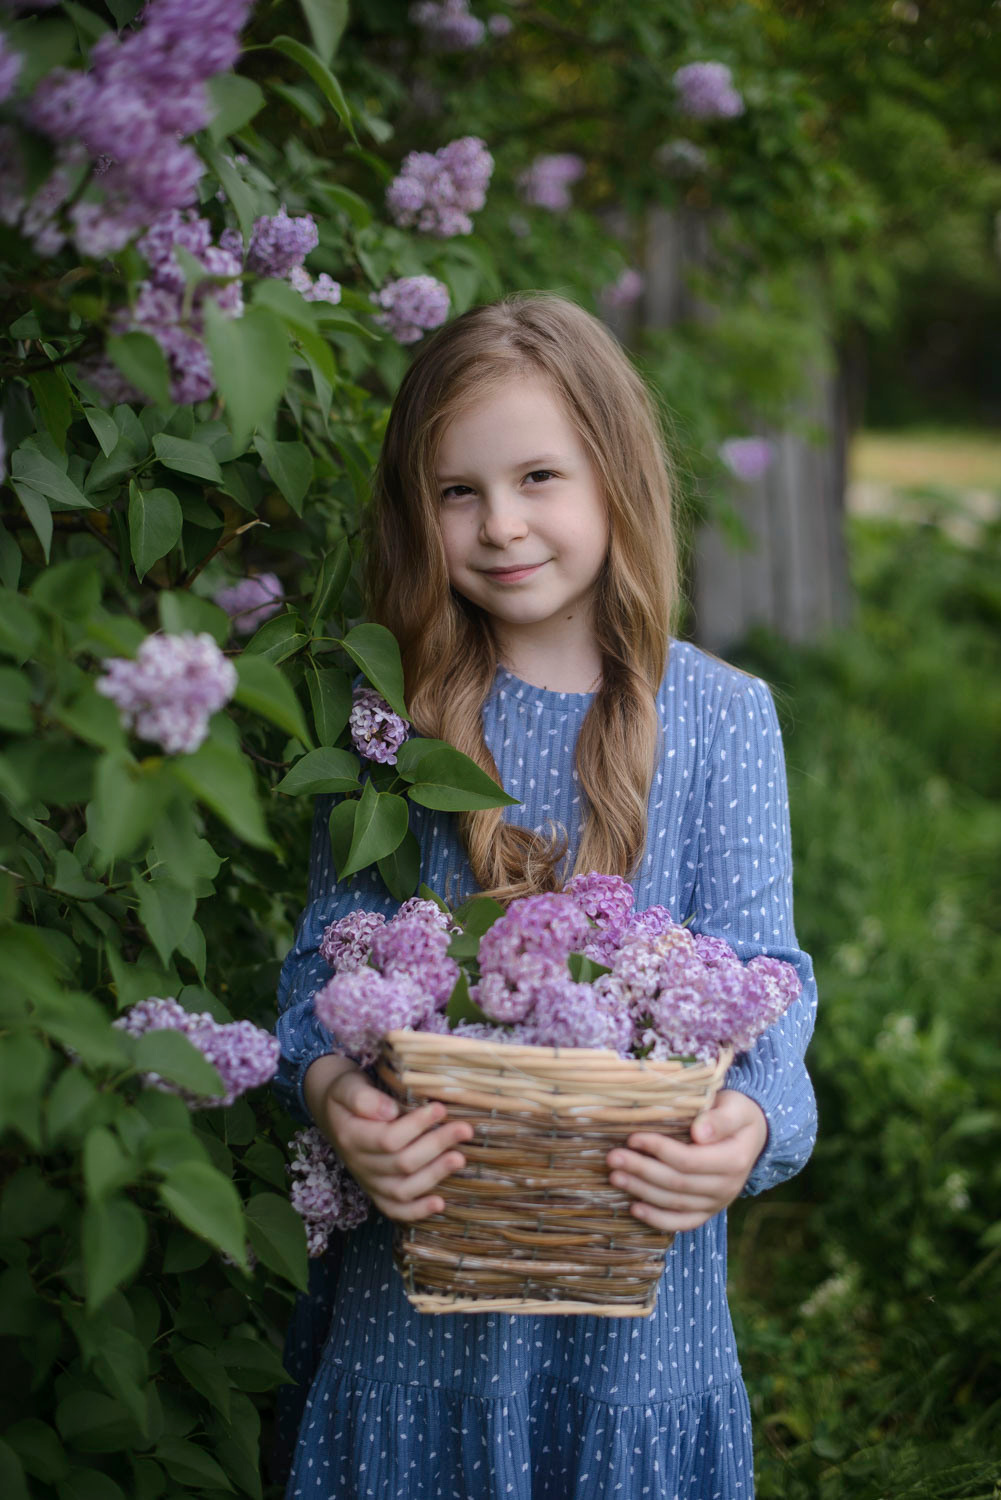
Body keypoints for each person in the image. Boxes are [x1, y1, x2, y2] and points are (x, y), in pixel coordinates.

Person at [274, 293, 817, 1498]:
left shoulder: (719, 717)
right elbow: (325, 958)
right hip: (421, 1262)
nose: (501, 524)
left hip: (634, 1285)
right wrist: (331, 1096)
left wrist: (751, 1129)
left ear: (614, 477)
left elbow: (766, 976)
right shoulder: (392, 717)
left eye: (537, 477)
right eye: (456, 491)